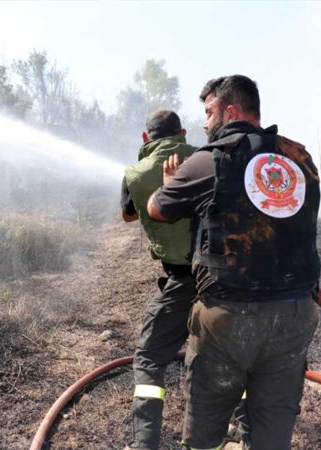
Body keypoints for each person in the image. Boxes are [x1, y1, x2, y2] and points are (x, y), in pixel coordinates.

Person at [146, 75, 321, 450]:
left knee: (205, 430)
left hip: (228, 318)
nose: (206, 123)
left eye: (209, 113)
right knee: (273, 429)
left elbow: (157, 210)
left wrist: (171, 182)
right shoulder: (299, 158)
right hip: (295, 316)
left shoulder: (209, 161)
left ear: (230, 111)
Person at [121, 110, 197, 450]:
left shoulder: (134, 174)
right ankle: (239, 430)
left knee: (149, 358)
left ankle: (145, 444)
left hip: (185, 279)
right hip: (229, 279)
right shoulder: (207, 157)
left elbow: (127, 214)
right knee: (223, 353)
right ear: (182, 132)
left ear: (145, 138)